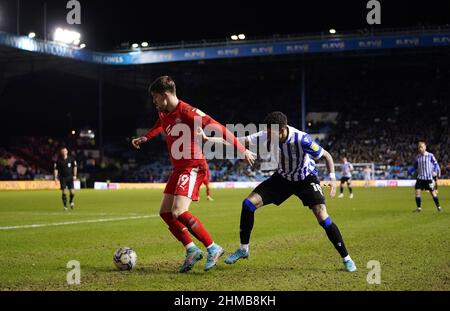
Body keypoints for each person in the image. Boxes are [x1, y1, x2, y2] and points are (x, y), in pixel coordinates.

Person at [132, 76, 255, 273]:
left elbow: (220, 128)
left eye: (155, 97)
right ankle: (191, 250)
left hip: (192, 166)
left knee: (178, 212)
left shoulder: (188, 112)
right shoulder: (163, 112)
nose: (153, 102)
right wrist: (146, 137)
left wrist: (242, 150)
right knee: (165, 212)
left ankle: (213, 248)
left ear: (165, 95)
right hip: (178, 169)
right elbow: (160, 124)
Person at [212, 111, 356, 272]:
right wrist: (209, 139)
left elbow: (327, 156)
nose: (268, 136)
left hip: (305, 178)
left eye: (271, 133)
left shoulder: (302, 139)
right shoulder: (268, 133)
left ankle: (346, 258)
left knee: (322, 214)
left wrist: (332, 178)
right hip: (283, 178)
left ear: (282, 130)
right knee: (248, 204)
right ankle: (244, 249)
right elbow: (239, 141)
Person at [413, 142, 442, 213]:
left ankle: (438, 207)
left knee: (433, 193)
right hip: (420, 178)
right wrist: (415, 170)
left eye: (422, 147)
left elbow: (436, 164)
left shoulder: (430, 155)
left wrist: (435, 171)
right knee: (417, 192)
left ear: (425, 147)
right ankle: (419, 208)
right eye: (419, 147)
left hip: (428, 178)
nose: (420, 149)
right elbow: (415, 166)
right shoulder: (417, 157)